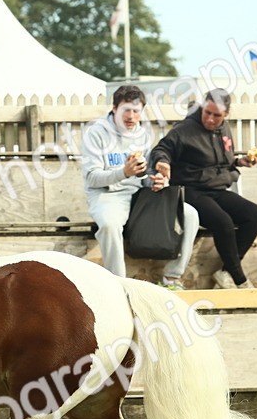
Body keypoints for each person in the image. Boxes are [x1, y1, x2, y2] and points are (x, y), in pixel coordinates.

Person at [81, 85, 200, 290]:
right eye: (126, 110)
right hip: (107, 196)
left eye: (136, 111)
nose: (131, 116)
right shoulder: (95, 133)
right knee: (109, 225)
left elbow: (144, 176)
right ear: (114, 108)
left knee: (190, 214)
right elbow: (91, 178)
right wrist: (123, 172)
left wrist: (157, 181)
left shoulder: (143, 135)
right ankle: (119, 285)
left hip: (137, 195)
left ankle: (172, 278)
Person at [148, 88, 257, 289]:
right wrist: (162, 163)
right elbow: (161, 149)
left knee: (254, 214)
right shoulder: (184, 129)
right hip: (189, 189)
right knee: (223, 222)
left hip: (216, 189)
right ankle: (239, 279)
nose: (210, 119)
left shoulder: (224, 129)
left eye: (216, 115)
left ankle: (225, 272)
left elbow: (220, 162)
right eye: (206, 112)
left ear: (226, 115)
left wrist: (240, 161)